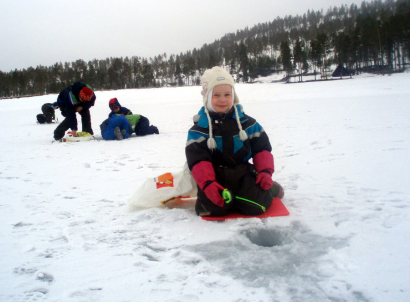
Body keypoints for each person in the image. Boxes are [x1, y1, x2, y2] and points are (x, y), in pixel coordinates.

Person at [185, 66, 284, 217]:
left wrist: (265, 171)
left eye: (227, 94)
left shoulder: (248, 123)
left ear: (234, 96)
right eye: (216, 95)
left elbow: (262, 149)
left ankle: (270, 189)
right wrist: (207, 183)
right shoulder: (199, 129)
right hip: (215, 177)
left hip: (243, 174)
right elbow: (198, 160)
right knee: (212, 209)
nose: (222, 99)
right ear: (207, 98)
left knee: (257, 206)